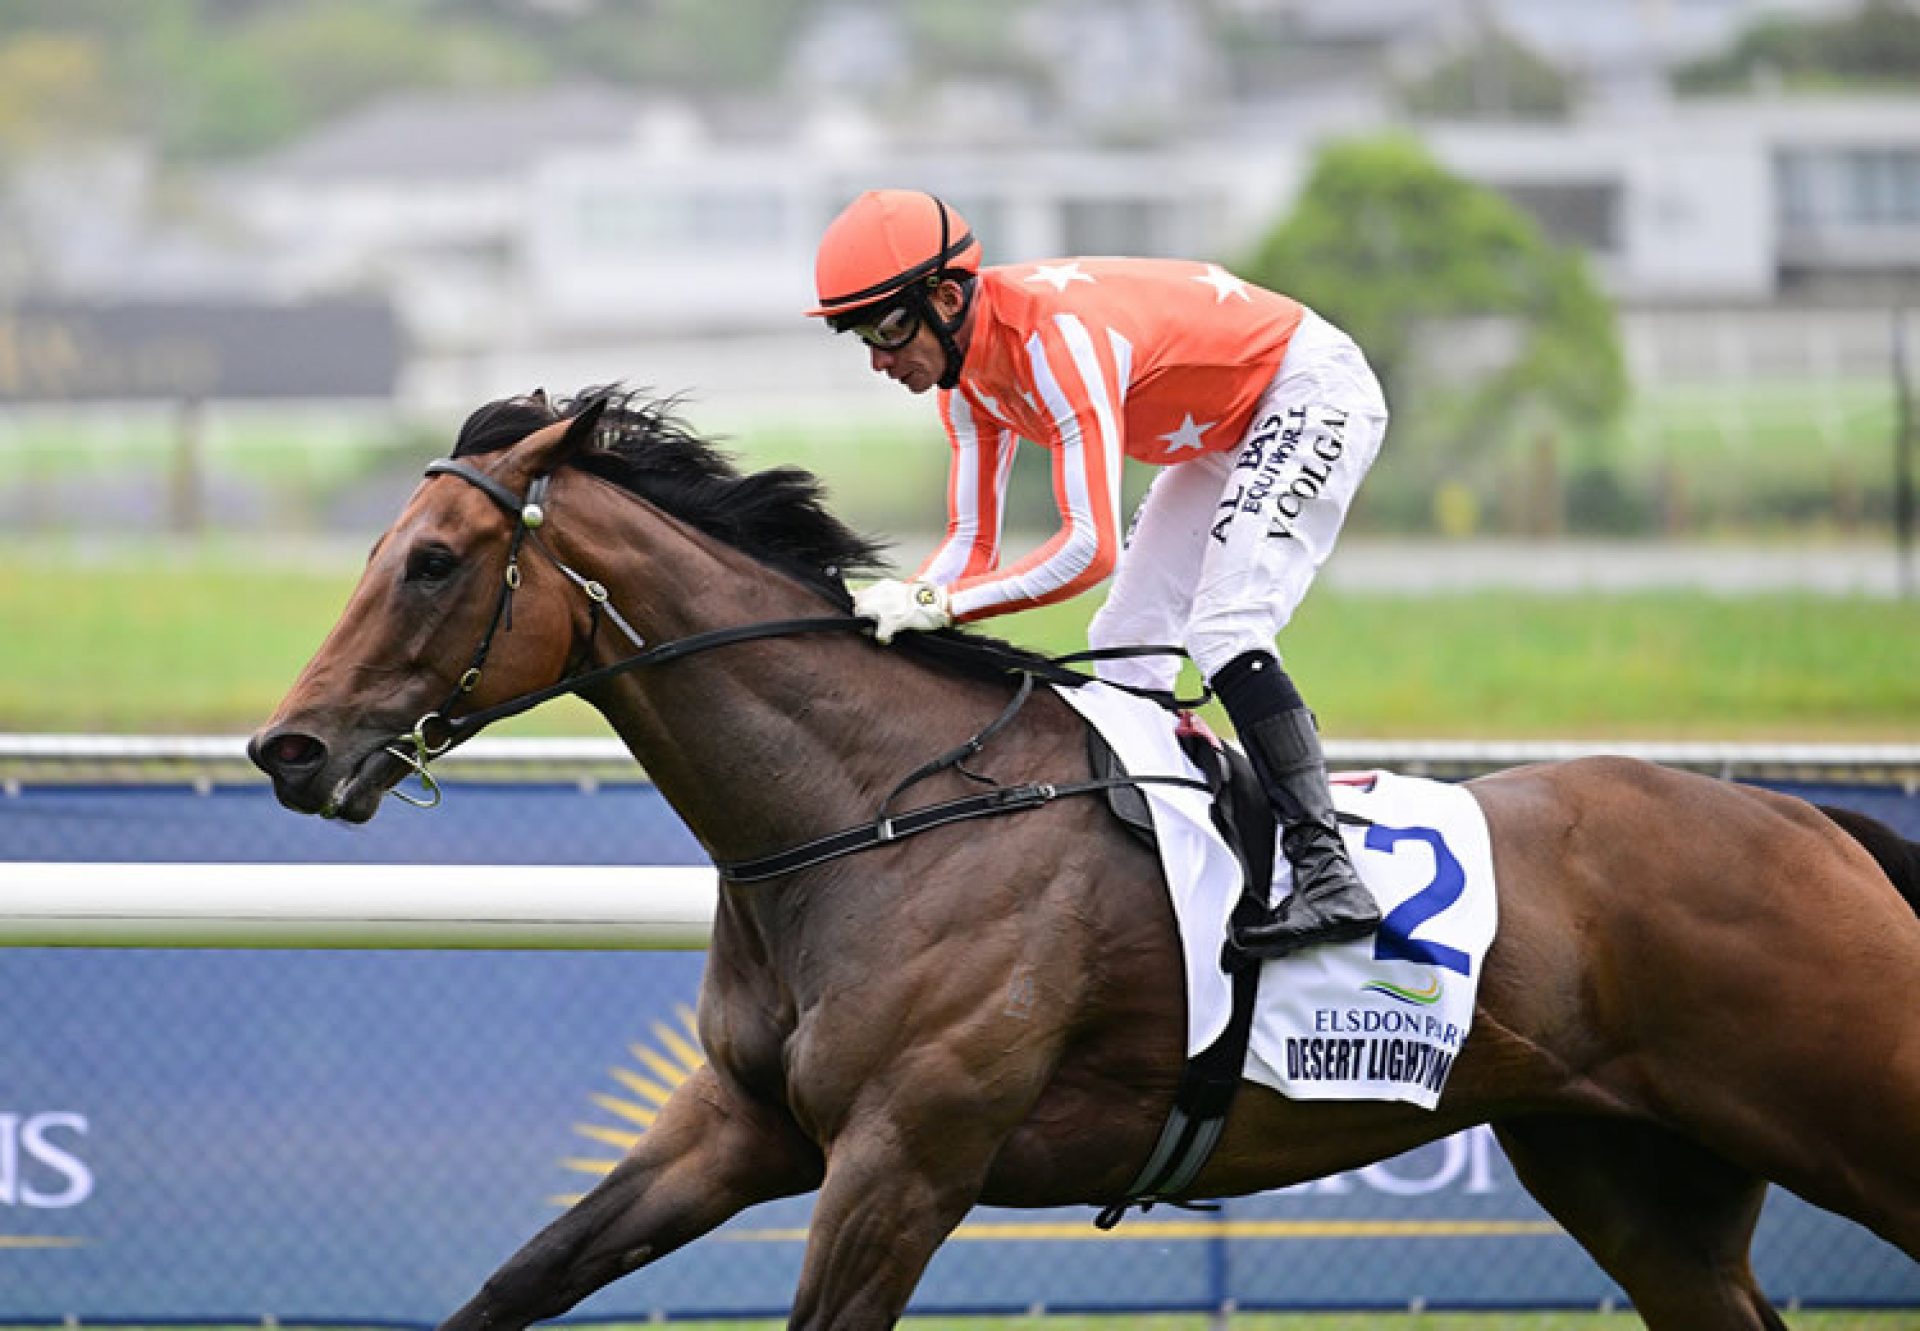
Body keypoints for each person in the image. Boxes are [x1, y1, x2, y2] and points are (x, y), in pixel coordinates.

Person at [806, 188, 1388, 961]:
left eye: (887, 328)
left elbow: (1090, 548)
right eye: (859, 337)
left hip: (1305, 391)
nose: (880, 360)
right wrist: (894, 612)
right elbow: (969, 544)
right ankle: (1183, 854)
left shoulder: (1055, 343)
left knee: (1224, 628)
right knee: (1125, 641)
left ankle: (1328, 872)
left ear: (947, 298)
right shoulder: (964, 383)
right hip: (1222, 429)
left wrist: (938, 607)